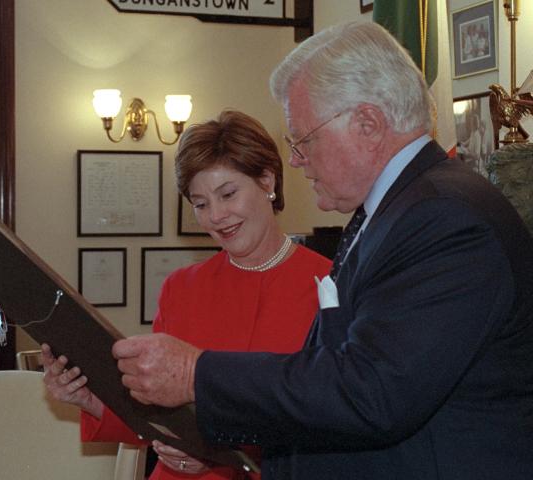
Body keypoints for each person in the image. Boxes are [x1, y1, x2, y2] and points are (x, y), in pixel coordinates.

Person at [112, 21, 533, 479]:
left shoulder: (444, 217)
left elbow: (371, 394)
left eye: (304, 139)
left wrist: (197, 373)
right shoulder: (398, 210)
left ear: (368, 123)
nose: (295, 159)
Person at [42, 110, 332, 479]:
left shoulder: (327, 283)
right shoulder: (181, 286)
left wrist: (215, 451)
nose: (216, 216)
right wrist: (91, 400)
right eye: (200, 203)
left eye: (228, 194)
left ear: (267, 180)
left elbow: (328, 420)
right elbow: (153, 411)